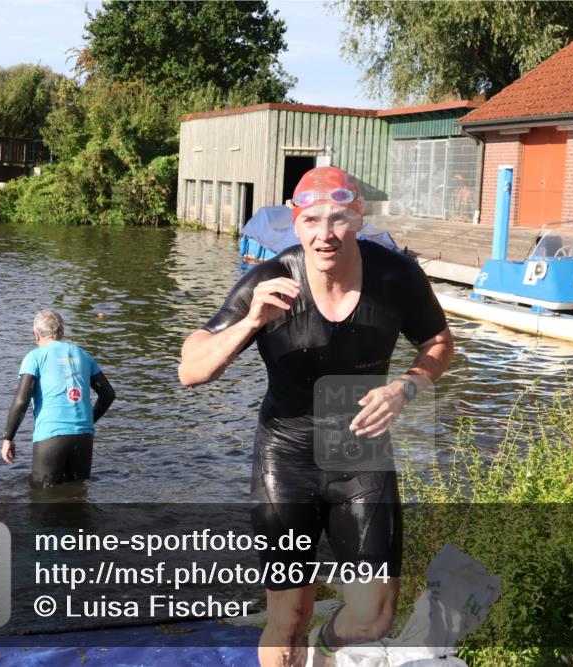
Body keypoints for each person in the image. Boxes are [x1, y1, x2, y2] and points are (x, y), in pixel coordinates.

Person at [179, 166, 454, 667]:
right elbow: (191, 370)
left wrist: (407, 387)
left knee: (375, 615)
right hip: (285, 454)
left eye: (338, 219)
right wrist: (251, 322)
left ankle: (325, 652)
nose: (325, 234)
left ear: (359, 215)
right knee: (288, 618)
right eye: (312, 221)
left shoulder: (395, 277)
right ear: (295, 221)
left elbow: (438, 342)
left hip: (358, 448)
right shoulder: (269, 280)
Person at [1, 309, 115, 486]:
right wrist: (89, 421)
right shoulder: (83, 354)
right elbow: (108, 394)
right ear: (62, 332)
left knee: (43, 500)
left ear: (36, 334)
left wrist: (8, 438)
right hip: (84, 437)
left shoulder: (35, 357)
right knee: (77, 496)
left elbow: (21, 401)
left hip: (51, 437)